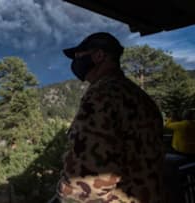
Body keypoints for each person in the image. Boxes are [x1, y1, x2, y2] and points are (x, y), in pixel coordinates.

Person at [52, 32, 165, 202]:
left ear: (98, 56)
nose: (75, 61)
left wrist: (64, 194)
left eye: (78, 55)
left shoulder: (101, 96)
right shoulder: (138, 95)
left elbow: (85, 181)